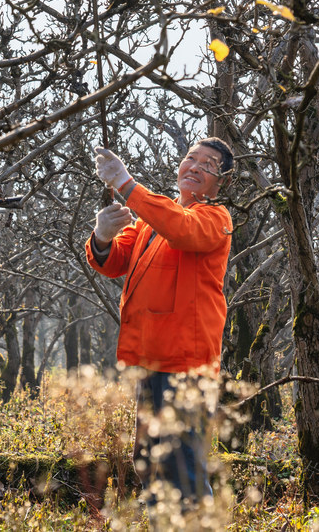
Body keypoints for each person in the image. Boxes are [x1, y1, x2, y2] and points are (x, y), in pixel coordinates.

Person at [85, 138, 234, 506]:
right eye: (191, 158)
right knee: (150, 462)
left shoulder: (215, 218)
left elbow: (182, 229)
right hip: (152, 358)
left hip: (186, 363)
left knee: (181, 467)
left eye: (209, 165)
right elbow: (113, 261)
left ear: (223, 181)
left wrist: (126, 185)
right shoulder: (153, 220)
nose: (196, 167)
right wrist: (102, 236)